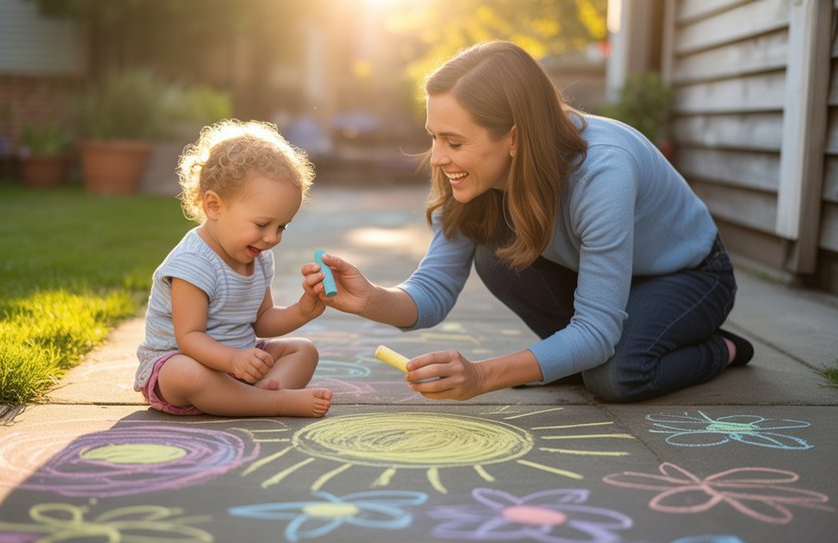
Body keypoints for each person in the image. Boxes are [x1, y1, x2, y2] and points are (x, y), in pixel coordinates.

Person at [304, 40, 754, 403]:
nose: (438, 158)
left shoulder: (603, 171)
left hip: (688, 275)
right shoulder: (472, 181)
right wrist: (370, 299)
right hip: (600, 279)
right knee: (494, 255)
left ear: (515, 137)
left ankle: (723, 348)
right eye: (434, 137)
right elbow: (432, 292)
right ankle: (583, 356)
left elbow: (597, 330)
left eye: (455, 142)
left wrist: (483, 376)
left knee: (617, 376)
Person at [135, 119, 332, 417]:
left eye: (282, 227)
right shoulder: (193, 263)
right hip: (183, 362)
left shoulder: (257, 255)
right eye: (262, 224)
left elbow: (262, 321)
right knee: (186, 373)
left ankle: (249, 396)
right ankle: (275, 402)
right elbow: (189, 338)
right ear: (213, 206)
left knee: (304, 350)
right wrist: (233, 360)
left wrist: (303, 310)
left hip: (236, 365)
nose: (272, 238)